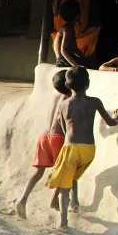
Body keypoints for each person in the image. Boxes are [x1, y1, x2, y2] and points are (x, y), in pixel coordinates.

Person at [46, 67, 118, 232]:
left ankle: (63, 224)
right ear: (88, 84)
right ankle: (74, 203)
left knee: (64, 185)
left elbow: (62, 126)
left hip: (71, 147)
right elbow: (110, 122)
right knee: (73, 175)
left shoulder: (63, 104)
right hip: (89, 150)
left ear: (67, 85)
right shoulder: (95, 101)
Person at [16, 71, 72, 219]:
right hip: (58, 138)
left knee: (38, 172)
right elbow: (62, 121)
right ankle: (54, 199)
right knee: (64, 171)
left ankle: (23, 199)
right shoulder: (68, 100)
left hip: (44, 136)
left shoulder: (55, 97)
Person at [53, 0, 96, 69]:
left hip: (64, 60)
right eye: (79, 12)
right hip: (63, 61)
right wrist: (76, 66)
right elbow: (63, 50)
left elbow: (75, 49)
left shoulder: (70, 28)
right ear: (76, 15)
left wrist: (84, 58)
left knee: (90, 61)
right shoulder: (67, 29)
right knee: (92, 65)